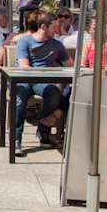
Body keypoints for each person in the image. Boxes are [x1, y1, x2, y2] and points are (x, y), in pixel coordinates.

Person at [14, 11, 74, 155]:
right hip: (23, 79)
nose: (57, 30)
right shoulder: (25, 41)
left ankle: (43, 131)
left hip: (42, 82)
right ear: (43, 27)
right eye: (54, 27)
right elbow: (24, 66)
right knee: (20, 99)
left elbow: (71, 65)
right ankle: (16, 138)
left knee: (54, 93)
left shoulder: (57, 45)